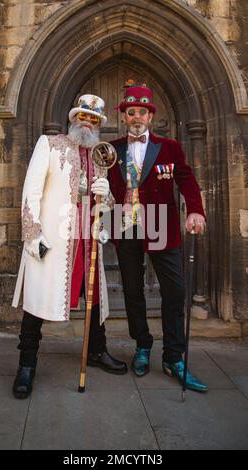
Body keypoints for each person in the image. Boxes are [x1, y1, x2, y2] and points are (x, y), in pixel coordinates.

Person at [12, 94, 127, 399]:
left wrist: (108, 195)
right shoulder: (49, 145)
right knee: (37, 302)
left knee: (94, 299)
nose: (87, 123)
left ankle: (97, 350)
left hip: (87, 239)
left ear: (99, 125)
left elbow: (105, 207)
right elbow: (31, 191)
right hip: (53, 239)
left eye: (93, 120)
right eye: (83, 117)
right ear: (73, 119)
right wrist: (33, 233)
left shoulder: (101, 156)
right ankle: (26, 364)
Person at [108, 81, 208, 392]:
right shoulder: (112, 149)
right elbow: (104, 186)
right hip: (127, 228)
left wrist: (195, 211)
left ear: (151, 116)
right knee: (133, 292)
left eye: (142, 112)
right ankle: (142, 345)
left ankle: (173, 357)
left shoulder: (170, 148)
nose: (136, 117)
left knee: (175, 291)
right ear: (124, 116)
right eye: (131, 112)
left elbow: (187, 181)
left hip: (162, 227)